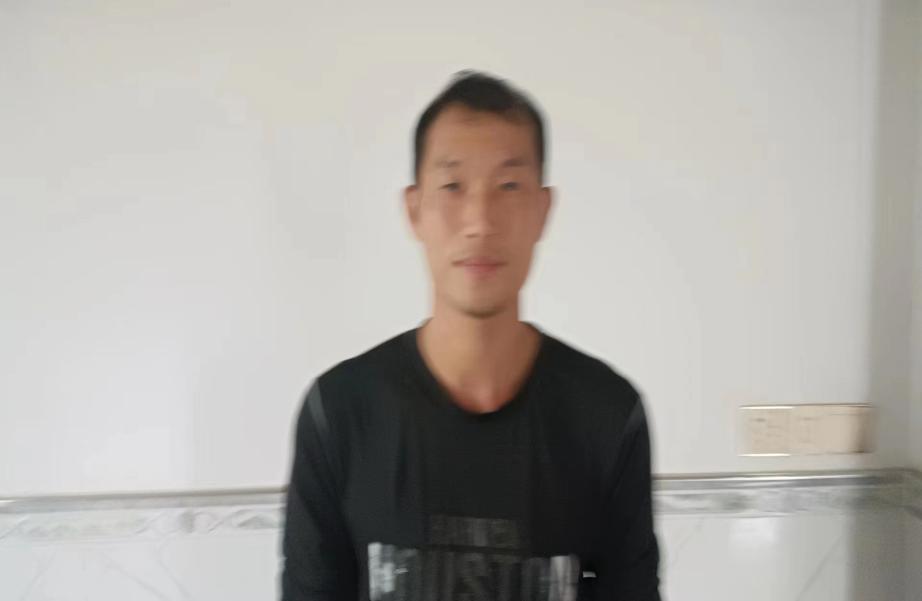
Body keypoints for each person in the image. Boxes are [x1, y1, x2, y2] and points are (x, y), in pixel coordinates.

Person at [280, 70, 661, 601]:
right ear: (414, 209)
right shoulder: (340, 413)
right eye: (453, 186)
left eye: (508, 186)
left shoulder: (607, 415)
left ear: (543, 210)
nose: (480, 220)